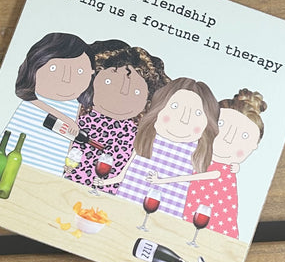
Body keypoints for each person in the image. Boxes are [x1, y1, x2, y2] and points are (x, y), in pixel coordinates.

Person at [99, 77, 220, 218]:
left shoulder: (197, 151)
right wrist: (104, 182)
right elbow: (123, 175)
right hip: (125, 205)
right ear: (158, 109)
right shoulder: (147, 139)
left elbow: (213, 175)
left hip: (165, 215)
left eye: (197, 113)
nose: (184, 119)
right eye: (175, 106)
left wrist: (161, 181)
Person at [64, 39, 170, 193]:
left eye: (136, 92)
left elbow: (127, 170)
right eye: (108, 82)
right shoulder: (82, 114)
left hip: (106, 195)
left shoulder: (135, 132)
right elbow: (69, 146)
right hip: (67, 184)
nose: (121, 94)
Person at [1, 32, 95, 176]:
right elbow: (32, 101)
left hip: (51, 165)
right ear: (34, 65)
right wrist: (67, 120)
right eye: (53, 68)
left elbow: (67, 140)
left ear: (91, 73)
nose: (66, 79)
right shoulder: (33, 98)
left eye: (80, 71)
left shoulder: (75, 105)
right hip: (16, 155)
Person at [183, 88, 267, 239]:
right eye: (221, 125)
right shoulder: (191, 154)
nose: (228, 139)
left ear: (254, 145)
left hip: (217, 228)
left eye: (244, 136)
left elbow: (226, 221)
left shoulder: (227, 176)